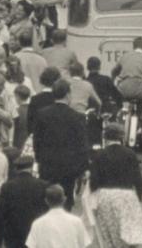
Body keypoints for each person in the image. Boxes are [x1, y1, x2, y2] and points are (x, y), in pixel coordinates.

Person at [87, 124, 142, 248]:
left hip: (106, 195)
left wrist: (93, 193)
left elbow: (94, 181)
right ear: (121, 137)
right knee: (130, 231)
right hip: (126, 195)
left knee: (109, 232)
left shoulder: (99, 155)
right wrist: (140, 195)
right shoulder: (130, 154)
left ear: (105, 137)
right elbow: (137, 178)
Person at [32, 80, 90, 210]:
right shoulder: (77, 117)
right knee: (66, 197)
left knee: (47, 198)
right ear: (68, 94)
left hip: (47, 163)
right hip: (69, 165)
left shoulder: (42, 114)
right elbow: (82, 144)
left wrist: (39, 158)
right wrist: (84, 167)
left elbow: (37, 140)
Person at [0, 155, 49, 248]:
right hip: (35, 232)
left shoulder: (7, 187)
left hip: (13, 233)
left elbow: (0, 213)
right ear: (31, 168)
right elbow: (46, 211)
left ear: (16, 169)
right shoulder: (43, 185)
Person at [25, 185, 89, 248]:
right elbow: (83, 244)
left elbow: (31, 245)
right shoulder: (77, 222)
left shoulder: (37, 224)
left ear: (46, 201)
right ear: (64, 199)